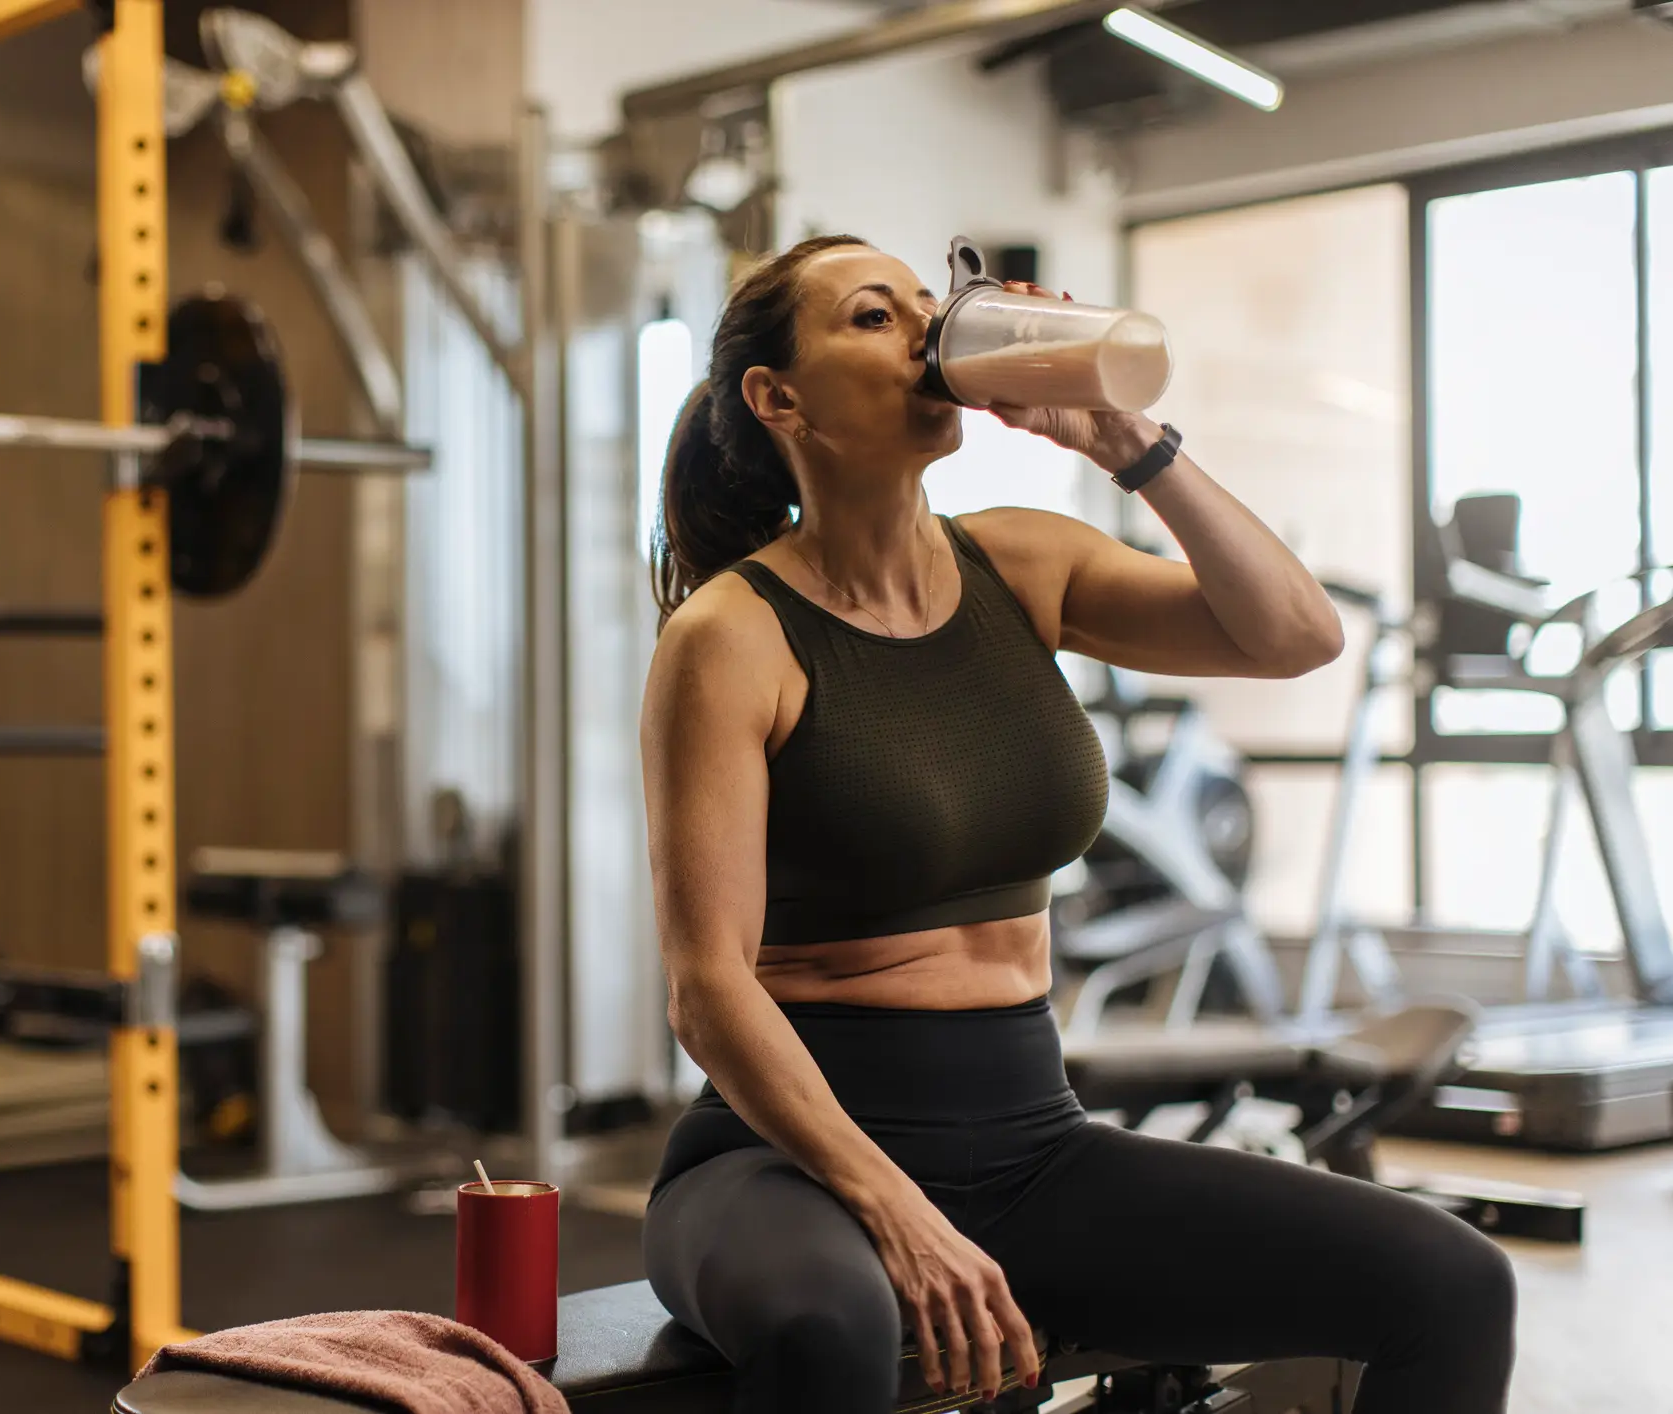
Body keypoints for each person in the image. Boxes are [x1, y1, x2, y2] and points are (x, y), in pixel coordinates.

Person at [638, 234, 1515, 1414]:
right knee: (825, 1324)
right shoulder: (728, 637)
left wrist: (1128, 444)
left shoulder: (1020, 560)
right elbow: (706, 986)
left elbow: (1293, 634)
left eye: (924, 307)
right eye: (871, 316)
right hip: (784, 1162)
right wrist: (895, 1210)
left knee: (1450, 1282)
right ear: (775, 397)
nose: (922, 333)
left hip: (1029, 1144)